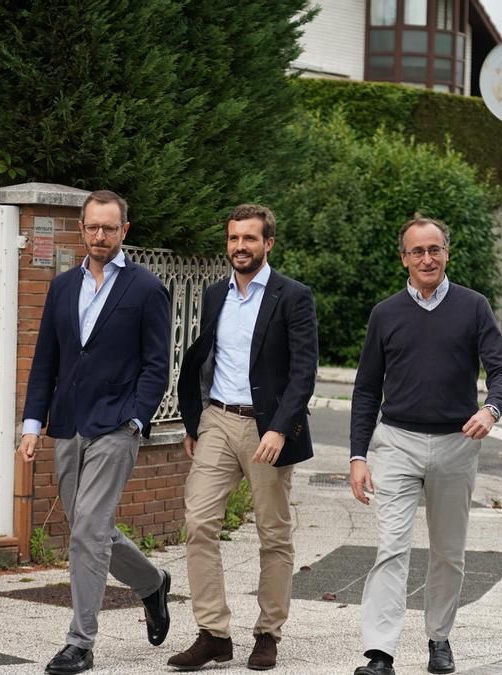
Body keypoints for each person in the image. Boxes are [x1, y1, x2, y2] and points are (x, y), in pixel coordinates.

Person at [348, 216, 502, 675]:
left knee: (448, 551)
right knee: (391, 548)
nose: (427, 258)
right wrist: (358, 456)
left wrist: (491, 410)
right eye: (417, 251)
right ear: (403, 257)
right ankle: (380, 653)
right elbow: (366, 391)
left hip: (456, 444)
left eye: (435, 249)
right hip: (396, 443)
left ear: (447, 253)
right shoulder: (385, 314)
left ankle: (439, 639)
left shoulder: (473, 307)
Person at [18, 190, 173, 675]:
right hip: (68, 424)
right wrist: (31, 423)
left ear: (124, 230)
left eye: (109, 228)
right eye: (92, 227)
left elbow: (156, 364)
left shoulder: (146, 289)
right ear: (81, 230)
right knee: (91, 529)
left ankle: (79, 643)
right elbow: (46, 359)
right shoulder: (63, 287)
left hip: (116, 425)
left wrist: (136, 419)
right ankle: (152, 583)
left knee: (87, 530)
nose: (100, 236)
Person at [170, 204, 319, 672]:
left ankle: (268, 632)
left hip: (266, 428)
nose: (240, 247)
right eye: (234, 239)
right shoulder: (216, 295)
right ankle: (213, 632)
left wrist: (279, 428)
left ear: (268, 243)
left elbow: (303, 371)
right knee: (198, 523)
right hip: (217, 418)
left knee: (273, 533)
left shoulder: (292, 296)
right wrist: (195, 422)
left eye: (249, 239)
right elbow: (203, 357)